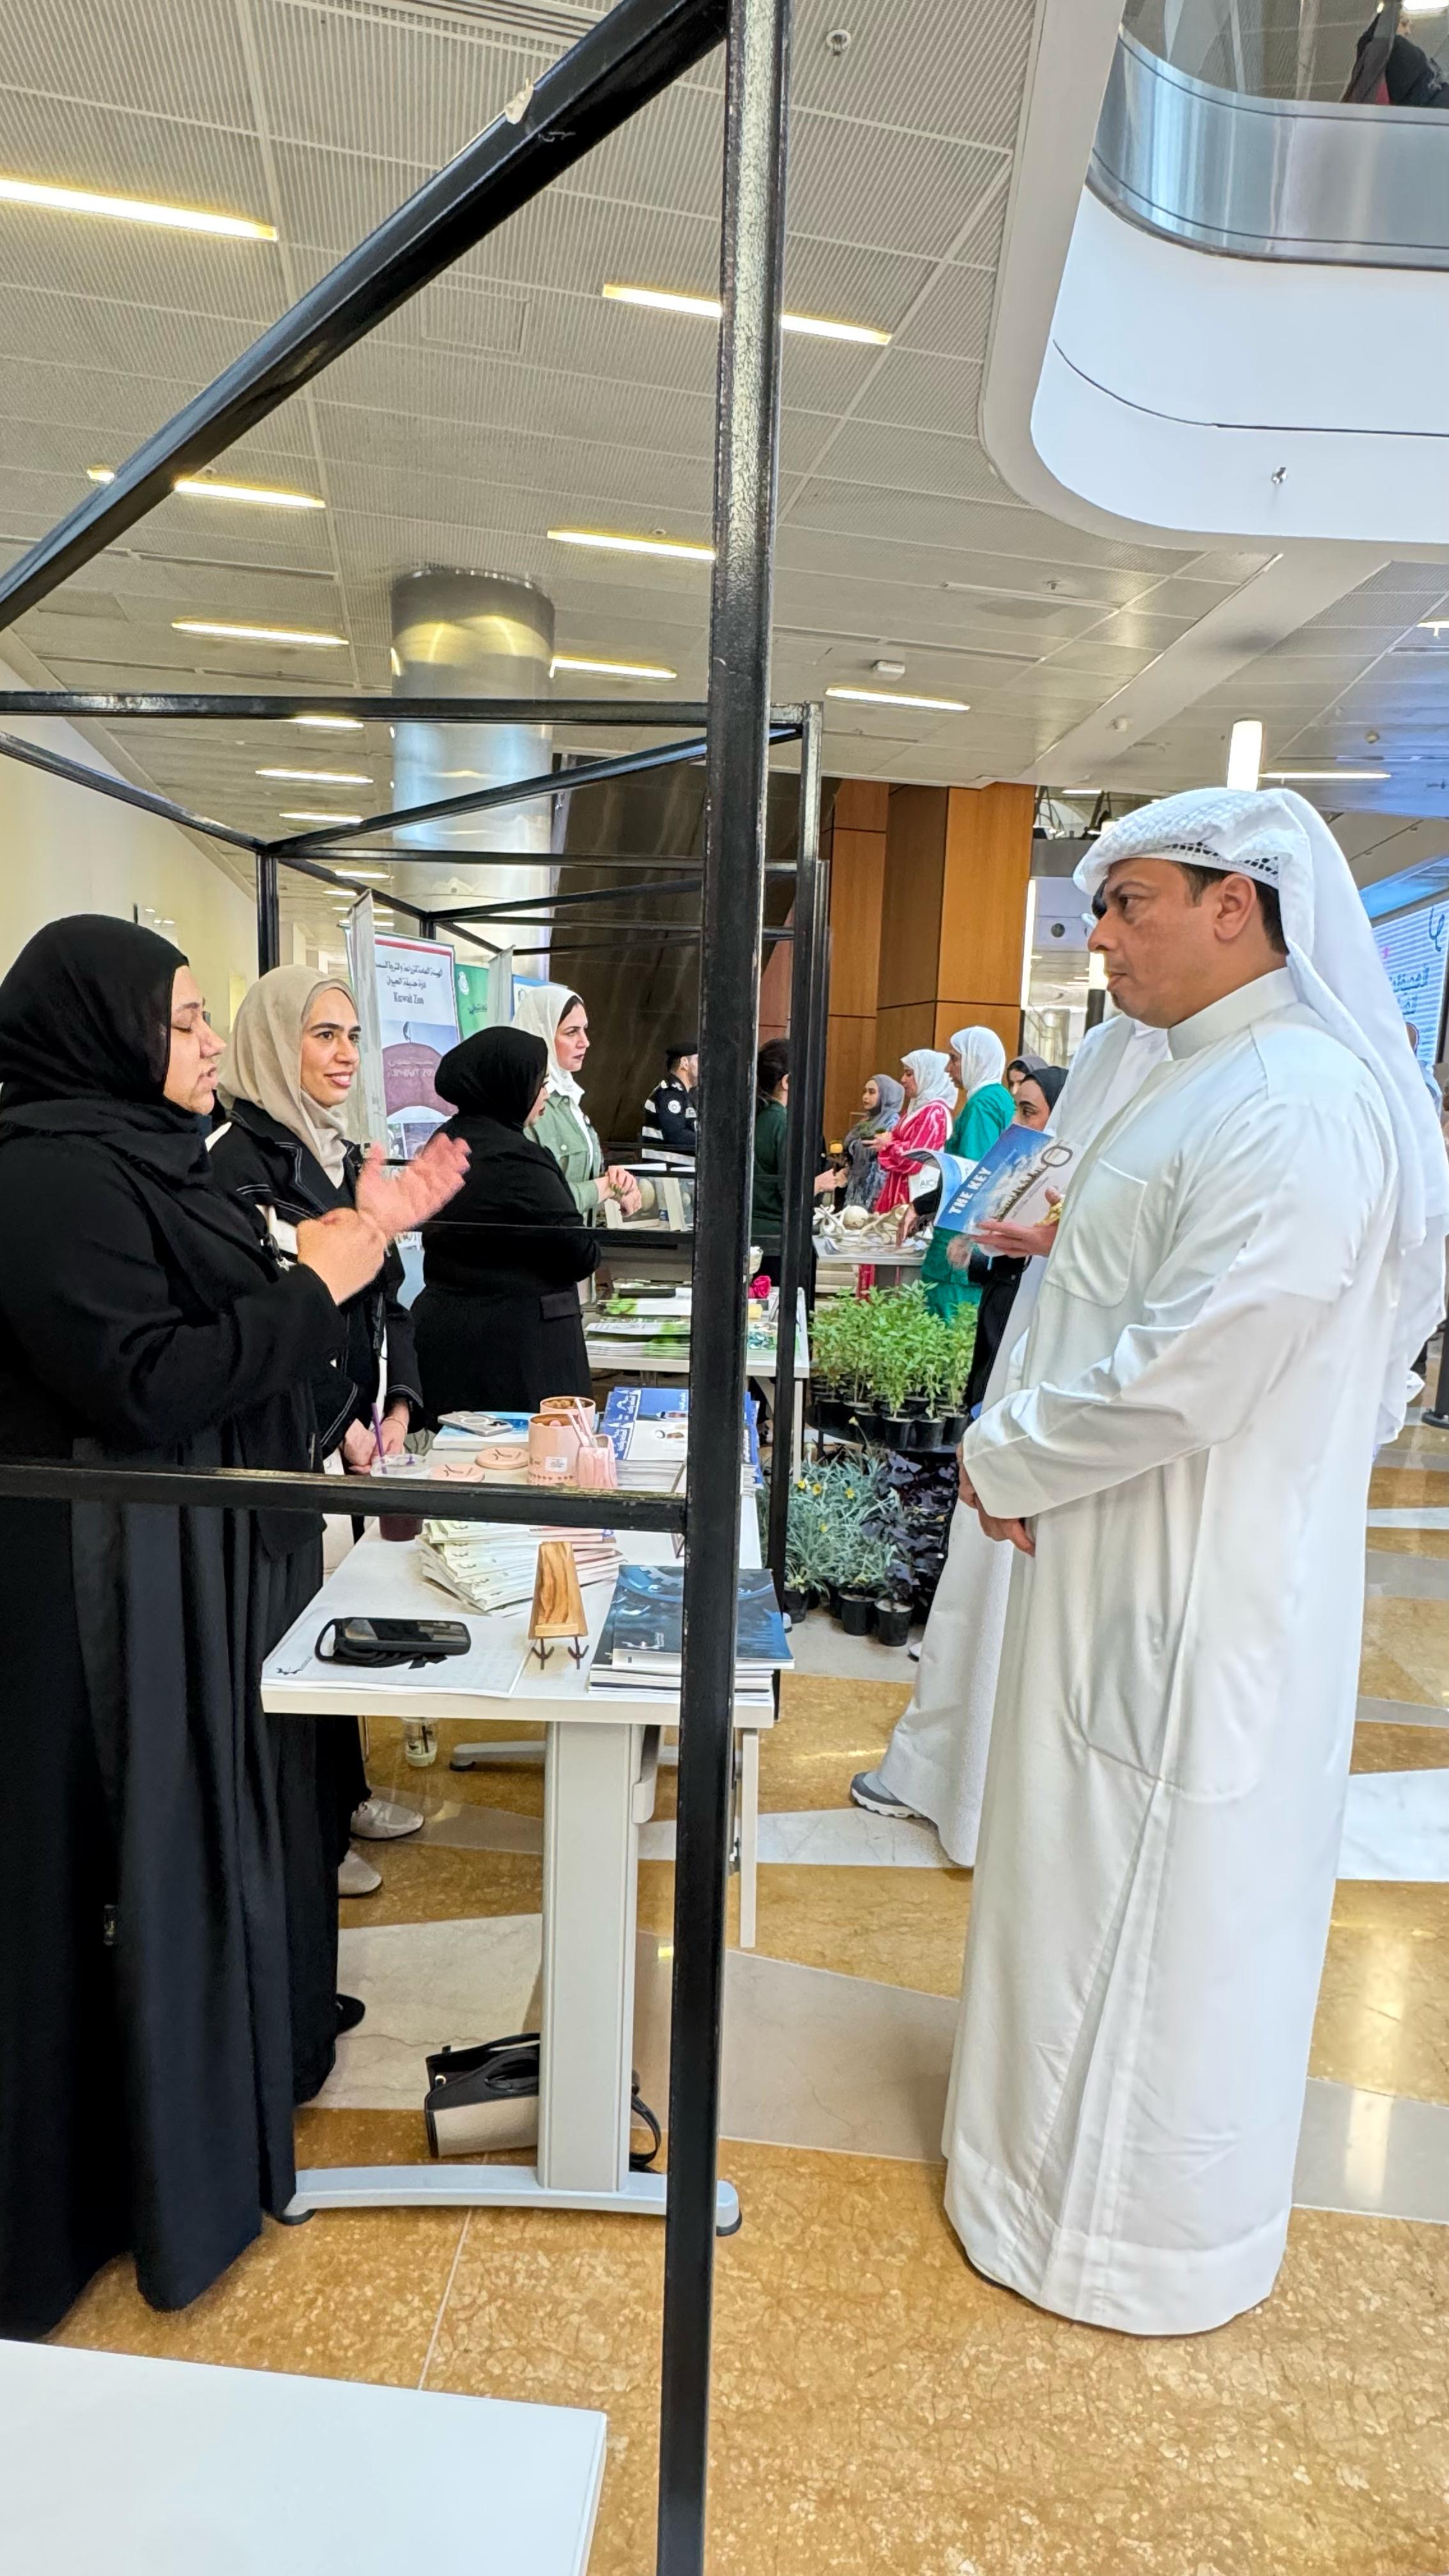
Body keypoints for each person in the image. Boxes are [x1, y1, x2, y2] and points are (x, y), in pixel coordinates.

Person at [944, 786, 1448, 2338]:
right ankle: (1024, 2184)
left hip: (1195, 1580)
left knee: (1157, 1905)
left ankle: (1127, 2242)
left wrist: (1011, 1454)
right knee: (1078, 1879)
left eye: (1130, 902)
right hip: (1114, 1552)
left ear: (1239, 906)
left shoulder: (1298, 1098)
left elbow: (1200, 1364)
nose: (1099, 937)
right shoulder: (1196, 1074)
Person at [0, 916, 463, 2340]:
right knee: (94, 1877)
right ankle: (84, 2194)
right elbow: (147, 1381)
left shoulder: (152, 1156)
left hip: (174, 1571)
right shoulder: (49, 1175)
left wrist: (351, 1254)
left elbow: (249, 1332)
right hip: (91, 1595)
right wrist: (325, 1272)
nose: (206, 1042)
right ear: (106, 1030)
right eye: (183, 1018)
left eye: (209, 1018)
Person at [850, 1020, 1167, 1852]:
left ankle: (992, 1787)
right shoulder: (1120, 1050)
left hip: (1086, 1385)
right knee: (994, 1592)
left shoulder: (1251, 1093)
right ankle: (963, 1773)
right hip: (1039, 1344)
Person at [208, 966, 427, 1933]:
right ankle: (312, 1833)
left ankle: (340, 1799)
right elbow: (275, 1320)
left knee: (335, 1621)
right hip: (293, 1441)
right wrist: (344, 1416)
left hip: (352, 1437)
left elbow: (386, 1299)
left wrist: (401, 1398)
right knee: (294, 1638)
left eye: (352, 1036)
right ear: (271, 1042)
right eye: (322, 1035)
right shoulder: (238, 1165)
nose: (344, 1055)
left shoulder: (336, 1152)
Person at [414, 1025, 601, 1417]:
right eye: (540, 1083)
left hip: (449, 1345)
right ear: (508, 1084)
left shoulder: (442, 1143)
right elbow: (581, 1253)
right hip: (517, 1358)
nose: (545, 1093)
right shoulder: (517, 1160)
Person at [512, 981, 641, 1219]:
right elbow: (539, 1196)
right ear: (541, 1034)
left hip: (574, 1237)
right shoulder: (526, 1107)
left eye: (584, 1030)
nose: (585, 1042)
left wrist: (616, 1181)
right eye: (572, 1032)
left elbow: (575, 1178)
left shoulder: (568, 1099)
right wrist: (607, 1187)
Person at [919, 1027, 1016, 1320]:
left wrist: (922, 1205)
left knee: (948, 1325)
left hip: (962, 1233)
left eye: (954, 1059)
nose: (948, 1069)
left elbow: (973, 1173)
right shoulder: (999, 1097)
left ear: (976, 1058)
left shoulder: (981, 1104)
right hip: (981, 1232)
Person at [750, 1038, 836, 1262]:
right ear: (787, 1082)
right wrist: (820, 1183)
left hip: (755, 1230)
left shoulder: (760, 1116)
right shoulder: (784, 1123)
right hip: (777, 1234)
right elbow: (790, 1192)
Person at [869, 1048, 955, 1216]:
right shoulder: (916, 1108)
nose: (903, 1080)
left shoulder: (934, 1112)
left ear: (928, 1075)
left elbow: (915, 1158)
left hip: (914, 1194)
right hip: (900, 1189)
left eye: (909, 1074)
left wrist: (888, 1144)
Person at [836, 1073, 903, 1212]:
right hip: (856, 1187)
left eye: (872, 1092)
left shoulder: (893, 1124)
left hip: (877, 1190)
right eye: (864, 1092)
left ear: (886, 1096)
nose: (865, 1097)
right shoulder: (867, 1121)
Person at [641, 1043, 698, 1158]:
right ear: (685, 1063)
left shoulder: (683, 1095)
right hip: (669, 1167)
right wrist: (709, 1143)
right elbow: (676, 1135)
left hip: (680, 1167)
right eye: (699, 1060)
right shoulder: (670, 1094)